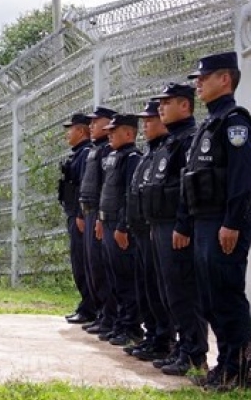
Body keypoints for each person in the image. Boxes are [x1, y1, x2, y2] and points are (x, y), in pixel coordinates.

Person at [180, 51, 251, 391]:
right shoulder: (208, 125)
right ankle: (224, 366)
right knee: (210, 300)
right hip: (204, 222)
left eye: (204, 77)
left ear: (224, 79)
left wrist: (233, 221)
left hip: (224, 224)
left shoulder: (234, 120)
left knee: (227, 297)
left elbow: (242, 176)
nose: (198, 83)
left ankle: (239, 372)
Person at [145, 82, 208, 376]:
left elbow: (187, 188)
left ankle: (194, 353)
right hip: (161, 225)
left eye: (167, 102)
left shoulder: (189, 140)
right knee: (168, 290)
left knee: (183, 291)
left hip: (177, 226)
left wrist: (182, 224)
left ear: (185, 105)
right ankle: (182, 348)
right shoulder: (171, 141)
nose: (160, 108)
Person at [126, 100, 175, 362]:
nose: (146, 125)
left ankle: (167, 340)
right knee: (147, 287)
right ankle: (154, 336)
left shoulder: (167, 149)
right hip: (144, 229)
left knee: (163, 289)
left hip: (160, 229)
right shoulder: (149, 153)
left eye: (150, 119)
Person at [98, 113, 143, 348]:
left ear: (128, 133)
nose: (109, 135)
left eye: (114, 132)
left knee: (126, 279)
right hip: (107, 223)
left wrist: (122, 226)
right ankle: (119, 323)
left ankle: (131, 327)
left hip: (119, 226)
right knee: (114, 277)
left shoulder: (132, 158)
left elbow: (129, 195)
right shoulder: (115, 156)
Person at [78, 106, 117, 338]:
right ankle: (103, 314)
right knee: (92, 266)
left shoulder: (108, 152)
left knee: (103, 267)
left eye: (96, 122)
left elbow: (107, 188)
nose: (91, 126)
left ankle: (110, 316)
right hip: (90, 212)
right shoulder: (95, 150)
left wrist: (100, 217)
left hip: (102, 215)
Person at [58, 112, 97, 325]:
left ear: (81, 130)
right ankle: (87, 305)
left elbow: (86, 187)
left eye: (70, 129)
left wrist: (82, 214)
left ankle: (90, 307)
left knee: (84, 263)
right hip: (74, 214)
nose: (68, 133)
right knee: (79, 262)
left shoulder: (86, 154)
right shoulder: (79, 154)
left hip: (81, 216)